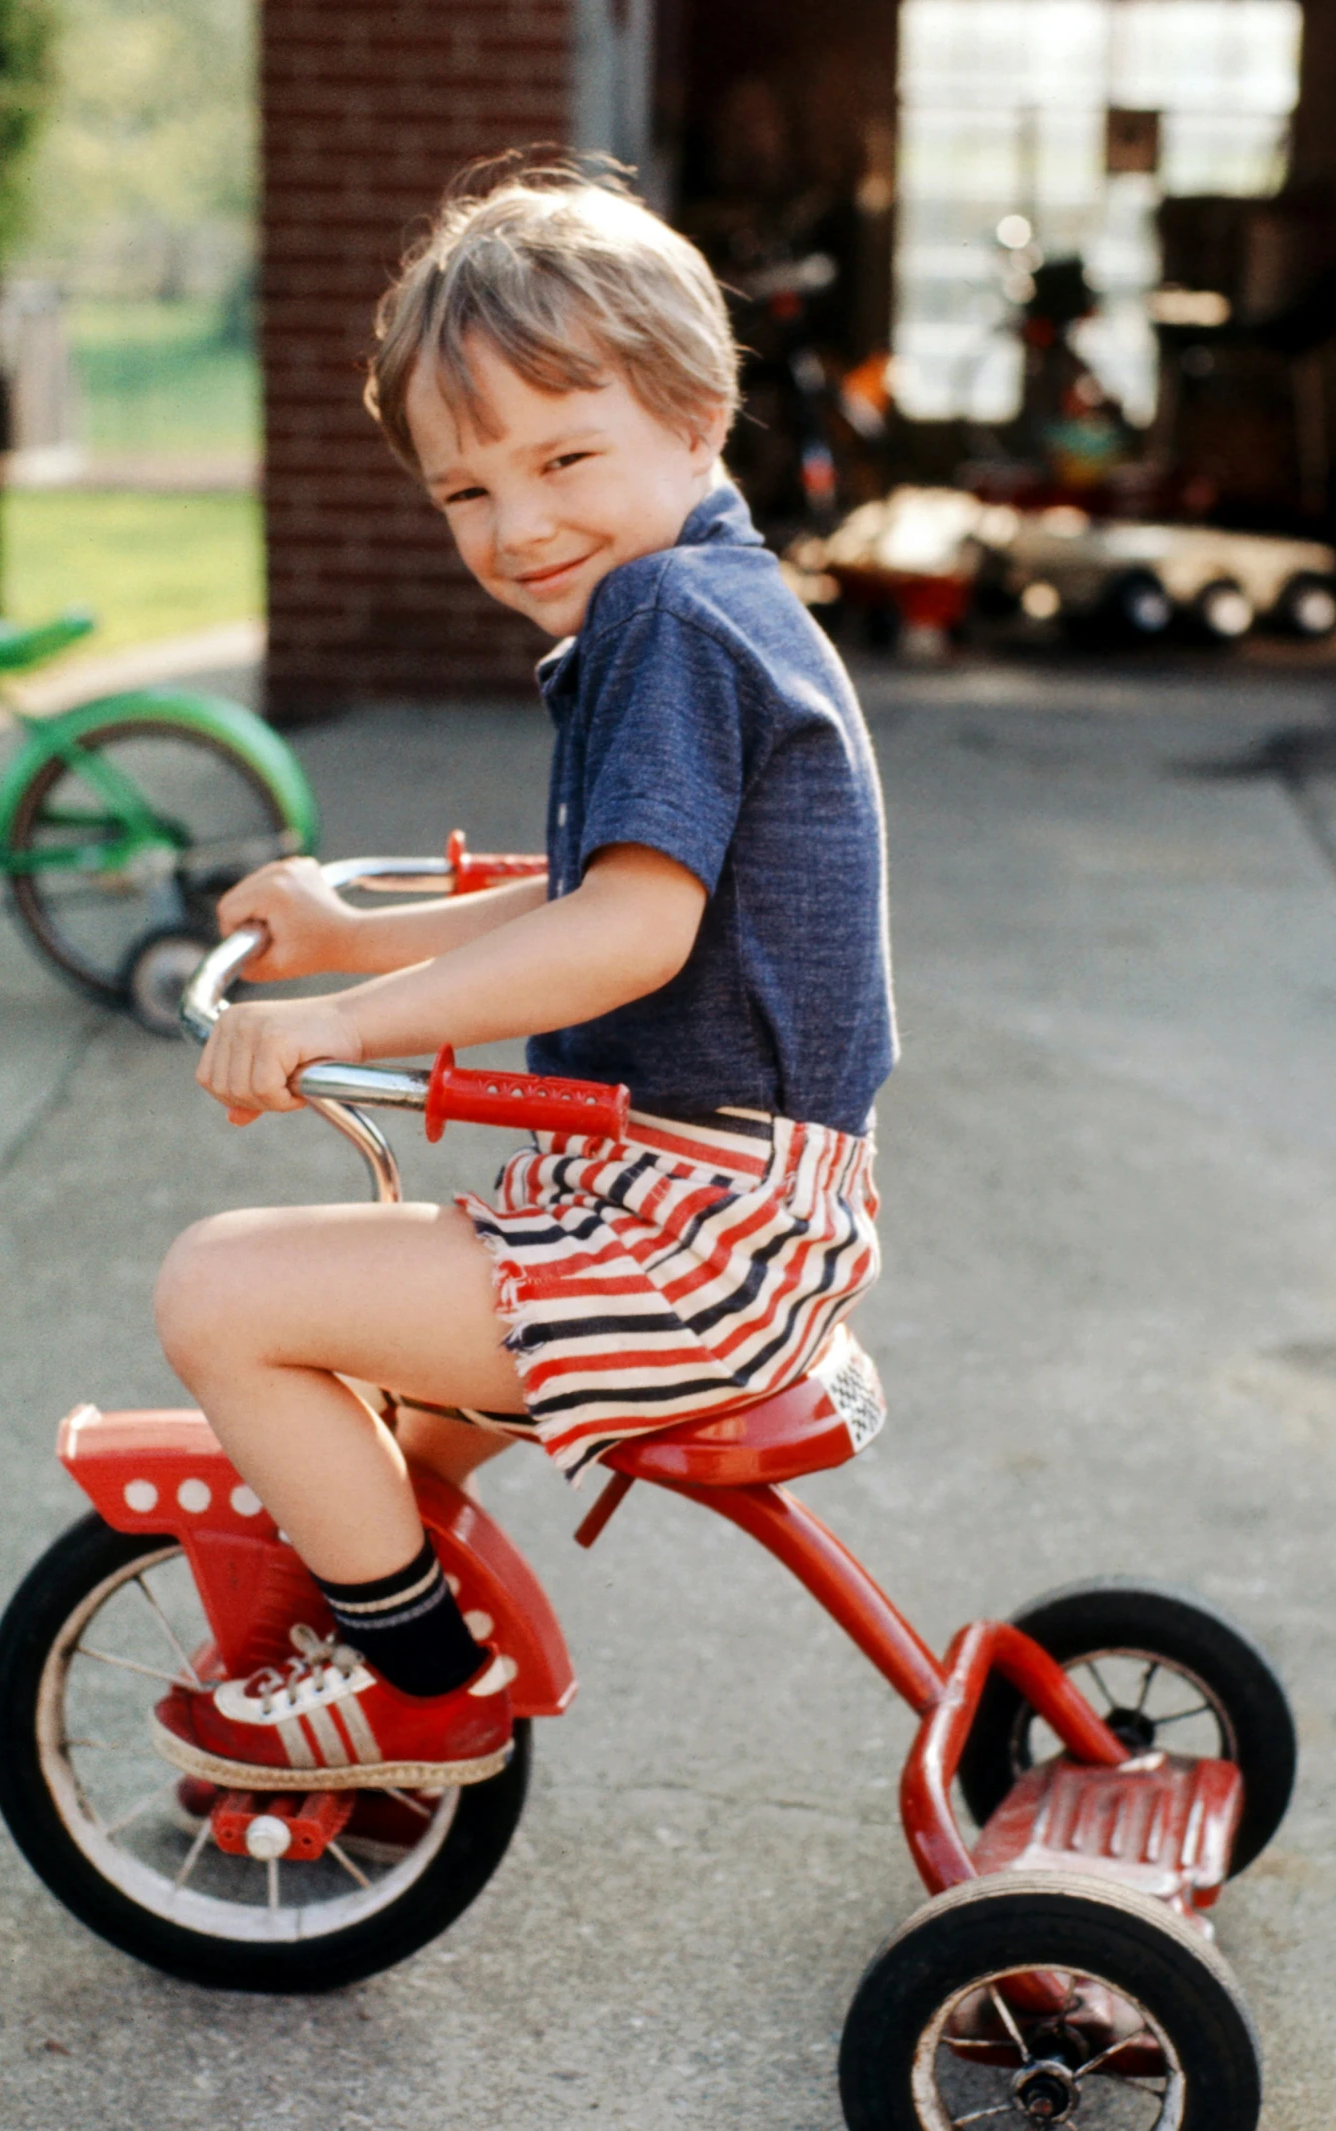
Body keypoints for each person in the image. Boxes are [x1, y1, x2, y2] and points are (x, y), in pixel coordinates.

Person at [148, 163, 896, 1797]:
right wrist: (351, 934)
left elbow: (632, 935)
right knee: (405, 1448)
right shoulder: (699, 595)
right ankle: (374, 1675)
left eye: (563, 458)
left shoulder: (668, 624)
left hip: (699, 1238)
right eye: (464, 492)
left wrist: (339, 1023)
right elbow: (593, 896)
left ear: (697, 421)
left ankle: (418, 1697)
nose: (519, 524)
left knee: (220, 1290)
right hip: (704, 1197)